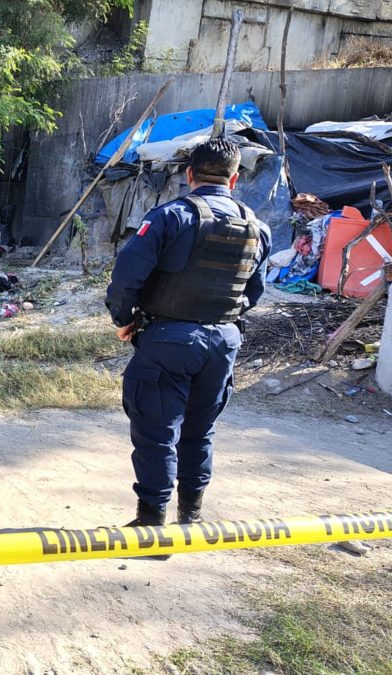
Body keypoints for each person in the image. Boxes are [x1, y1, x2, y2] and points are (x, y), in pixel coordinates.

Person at [105, 138, 271, 532]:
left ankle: (151, 523)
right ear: (234, 180)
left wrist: (123, 318)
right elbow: (254, 292)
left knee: (158, 432)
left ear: (190, 174)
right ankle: (191, 518)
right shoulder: (257, 226)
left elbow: (127, 275)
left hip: (169, 339)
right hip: (223, 341)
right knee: (200, 431)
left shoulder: (170, 216)